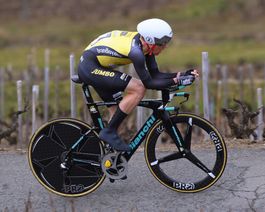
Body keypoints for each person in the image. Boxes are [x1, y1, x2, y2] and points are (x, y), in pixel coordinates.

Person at [78, 18, 199, 152]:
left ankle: (111, 162)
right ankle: (109, 132)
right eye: (162, 43)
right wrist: (176, 81)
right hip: (90, 67)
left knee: (118, 112)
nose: (165, 46)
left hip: (99, 65)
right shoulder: (136, 52)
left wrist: (181, 75)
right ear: (150, 41)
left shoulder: (146, 47)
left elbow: (155, 75)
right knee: (138, 88)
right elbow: (149, 83)